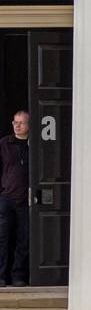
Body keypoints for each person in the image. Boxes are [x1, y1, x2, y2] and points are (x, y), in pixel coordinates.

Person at [0, 110, 30, 287]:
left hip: (26, 200)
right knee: (2, 238)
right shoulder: (4, 143)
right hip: (6, 199)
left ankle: (18, 275)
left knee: (23, 239)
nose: (17, 126)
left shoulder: (34, 144)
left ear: (29, 125)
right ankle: (1, 276)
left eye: (21, 122)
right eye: (15, 122)